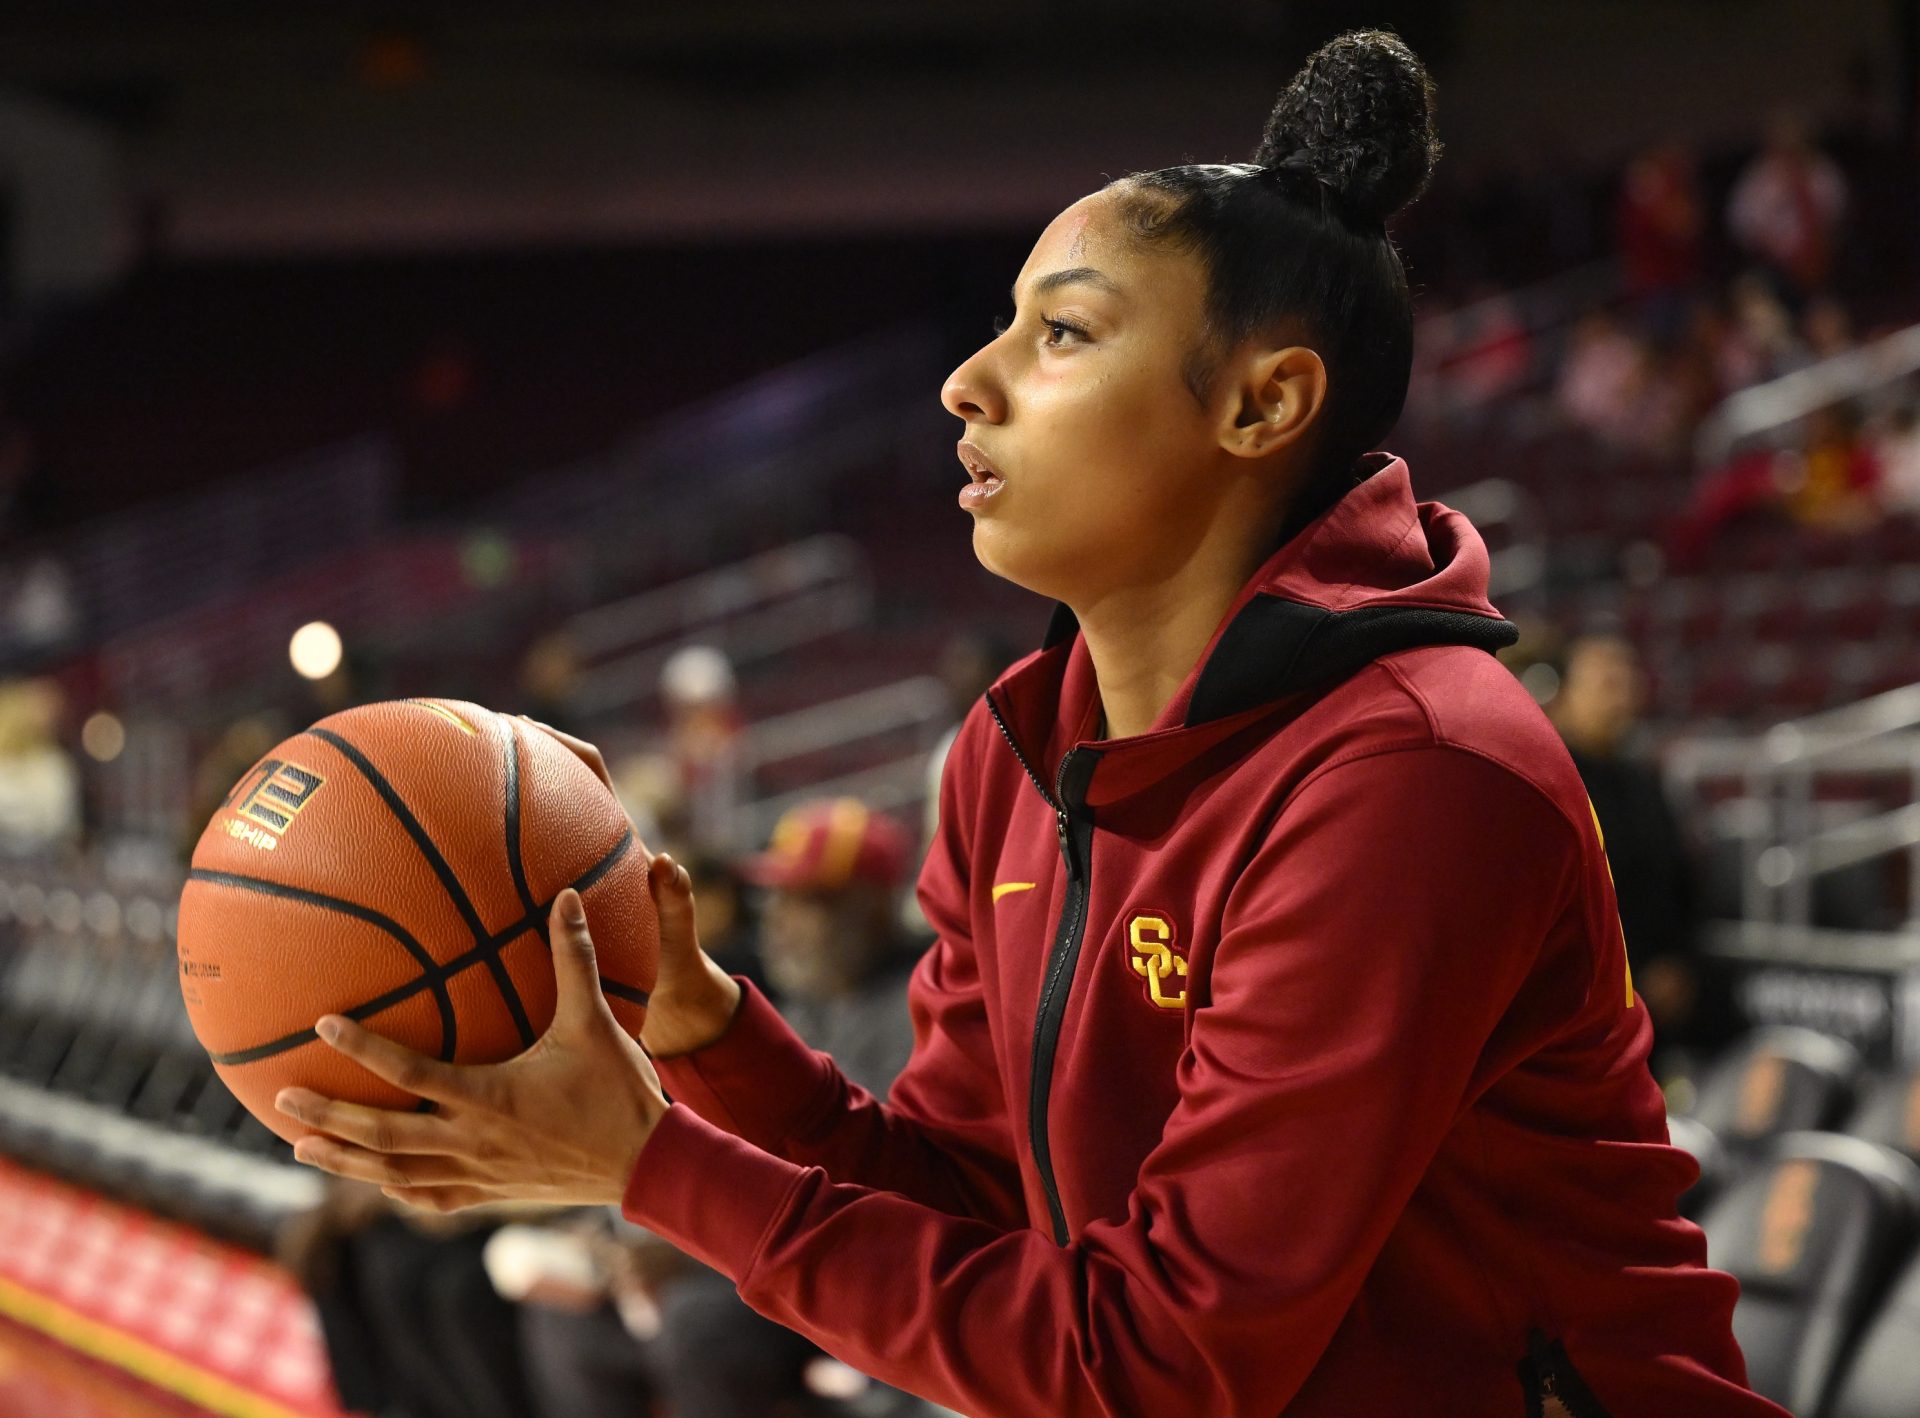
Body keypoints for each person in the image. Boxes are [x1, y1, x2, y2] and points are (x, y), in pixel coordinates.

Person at [273, 31, 1785, 1416]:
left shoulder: (1412, 774)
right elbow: (963, 1200)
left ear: (1262, 406)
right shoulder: (1017, 753)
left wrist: (646, 1163)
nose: (967, 381)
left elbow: (1162, 1359)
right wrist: (701, 1025)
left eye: (1060, 334)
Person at [1547, 635, 1716, 1064]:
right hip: (1580, 1003)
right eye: (1605, 682)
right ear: (1567, 695)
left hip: (1659, 998)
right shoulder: (1550, 779)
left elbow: (1682, 883)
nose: (1619, 694)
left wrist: (1680, 963)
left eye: (1626, 681)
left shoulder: (1647, 781)